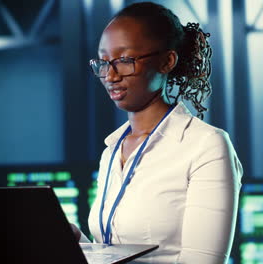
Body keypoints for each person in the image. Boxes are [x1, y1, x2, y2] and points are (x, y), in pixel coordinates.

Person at [71, 2, 243, 264]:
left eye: (124, 61)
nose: (111, 75)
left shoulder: (206, 145)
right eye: (104, 62)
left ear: (166, 61)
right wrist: (73, 240)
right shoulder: (112, 150)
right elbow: (108, 253)